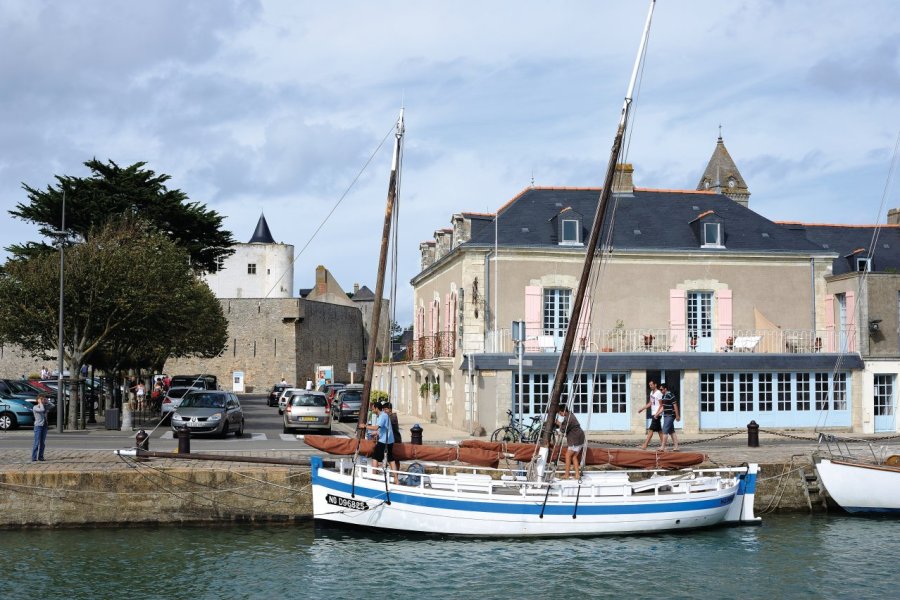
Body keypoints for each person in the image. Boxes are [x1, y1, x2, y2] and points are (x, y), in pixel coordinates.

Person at [360, 402, 398, 484]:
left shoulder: (382, 416)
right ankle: (396, 479)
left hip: (384, 441)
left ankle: (374, 478)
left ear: (377, 408)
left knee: (375, 457)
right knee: (391, 459)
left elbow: (376, 427)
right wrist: (377, 433)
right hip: (390, 440)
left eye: (373, 409)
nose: (372, 410)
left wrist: (365, 426)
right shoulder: (384, 415)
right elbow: (383, 428)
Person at [556, 405, 585, 480]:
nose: (560, 414)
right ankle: (577, 475)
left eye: (560, 413)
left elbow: (563, 429)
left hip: (575, 439)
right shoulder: (571, 415)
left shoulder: (567, 418)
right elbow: (566, 426)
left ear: (563, 411)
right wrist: (560, 424)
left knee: (568, 456)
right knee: (574, 456)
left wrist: (558, 423)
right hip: (580, 437)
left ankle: (567, 475)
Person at [637, 380, 663, 450]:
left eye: (651, 385)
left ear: (655, 385)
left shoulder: (659, 393)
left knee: (650, 430)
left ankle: (645, 445)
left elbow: (661, 405)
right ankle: (663, 446)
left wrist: (657, 414)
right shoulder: (651, 392)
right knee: (659, 431)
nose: (650, 386)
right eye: (650, 385)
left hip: (657, 414)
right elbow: (650, 403)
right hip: (653, 414)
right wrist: (642, 408)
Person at [658, 383, 680, 451]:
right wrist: (657, 414)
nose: (661, 391)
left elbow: (675, 406)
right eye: (660, 389)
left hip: (670, 415)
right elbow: (663, 407)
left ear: (665, 389)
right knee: (671, 431)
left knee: (665, 431)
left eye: (661, 389)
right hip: (666, 415)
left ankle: (663, 447)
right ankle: (676, 447)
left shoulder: (671, 395)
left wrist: (677, 415)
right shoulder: (664, 396)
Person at [383, 401, 402, 475]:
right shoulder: (390, 416)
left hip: (395, 439)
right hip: (392, 439)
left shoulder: (392, 417)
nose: (384, 411)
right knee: (392, 457)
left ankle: (395, 473)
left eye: (385, 409)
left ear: (390, 409)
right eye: (383, 410)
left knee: (395, 458)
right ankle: (394, 472)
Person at [31, 395, 48, 462]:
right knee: (37, 442)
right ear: (38, 400)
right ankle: (34, 457)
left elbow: (52, 405)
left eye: (44, 399)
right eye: (42, 399)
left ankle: (41, 457)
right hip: (38, 426)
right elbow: (42, 410)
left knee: (42, 443)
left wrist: (47, 402)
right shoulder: (35, 407)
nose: (43, 400)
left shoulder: (44, 406)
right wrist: (40, 403)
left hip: (44, 426)